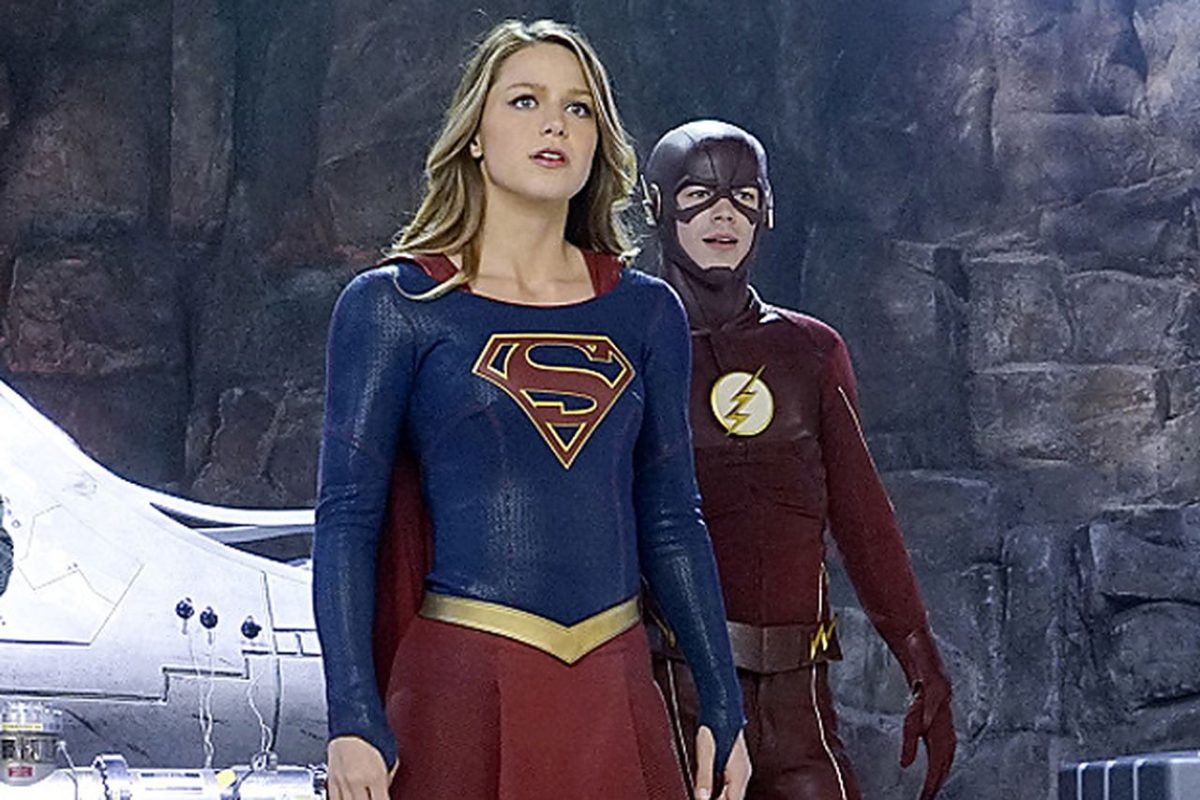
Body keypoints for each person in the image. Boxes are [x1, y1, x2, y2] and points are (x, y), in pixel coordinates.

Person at [312, 22, 751, 800]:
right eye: (526, 101)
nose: (556, 124)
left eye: (579, 108)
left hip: (613, 684)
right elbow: (348, 518)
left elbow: (672, 519)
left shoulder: (646, 312)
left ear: (599, 142)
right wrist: (351, 716)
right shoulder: (397, 304)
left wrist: (723, 701)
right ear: (474, 135)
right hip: (460, 688)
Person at [642, 120, 955, 800]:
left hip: (800, 701)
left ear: (768, 208)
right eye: (699, 194)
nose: (724, 213)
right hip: (674, 691)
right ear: (657, 205)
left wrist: (920, 658)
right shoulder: (632, 347)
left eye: (743, 195)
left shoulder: (810, 351)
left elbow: (864, 518)